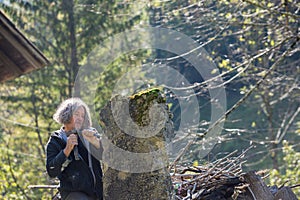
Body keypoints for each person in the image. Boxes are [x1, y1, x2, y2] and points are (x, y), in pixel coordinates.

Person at [46, 98, 103, 200]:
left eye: (82, 115)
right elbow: (52, 171)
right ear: (66, 114)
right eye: (77, 114)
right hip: (73, 193)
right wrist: (66, 150)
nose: (80, 118)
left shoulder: (89, 134)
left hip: (97, 192)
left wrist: (95, 142)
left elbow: (105, 156)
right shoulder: (56, 140)